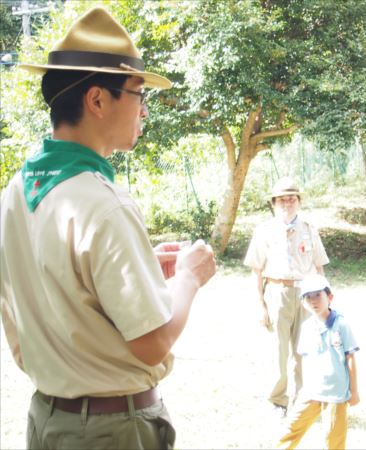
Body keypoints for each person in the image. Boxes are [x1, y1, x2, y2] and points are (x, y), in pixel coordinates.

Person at [0, 8, 216, 449]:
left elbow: (39, 298)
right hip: (110, 430)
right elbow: (152, 343)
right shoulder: (103, 204)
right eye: (138, 94)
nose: (144, 111)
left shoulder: (17, 192)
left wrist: (141, 269)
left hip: (47, 419)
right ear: (97, 100)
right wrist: (191, 277)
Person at [244, 177, 330, 417]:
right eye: (282, 199)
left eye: (292, 198)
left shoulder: (309, 229)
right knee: (278, 351)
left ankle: (304, 400)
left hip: (306, 294)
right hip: (277, 292)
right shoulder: (264, 231)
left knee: (306, 349)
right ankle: (277, 401)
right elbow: (256, 271)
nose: (287, 203)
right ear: (274, 203)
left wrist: (324, 301)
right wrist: (260, 306)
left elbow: (319, 267)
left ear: (298, 202)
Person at [276, 274, 359, 449]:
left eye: (318, 295)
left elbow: (350, 358)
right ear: (302, 303)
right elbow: (304, 360)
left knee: (333, 440)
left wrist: (354, 391)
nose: (313, 301)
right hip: (312, 392)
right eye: (308, 297)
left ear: (330, 297)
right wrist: (304, 388)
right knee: (291, 429)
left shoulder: (341, 325)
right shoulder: (306, 327)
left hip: (336, 394)